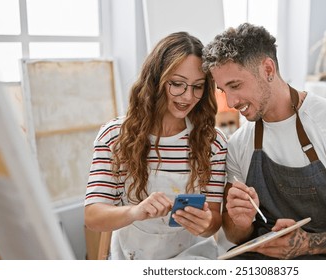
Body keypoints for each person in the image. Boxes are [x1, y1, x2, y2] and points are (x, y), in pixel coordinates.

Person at [202, 23, 326, 260]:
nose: (230, 102)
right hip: (266, 256)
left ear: (268, 70)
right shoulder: (239, 143)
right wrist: (242, 221)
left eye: (235, 85)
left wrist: (307, 244)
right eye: (223, 90)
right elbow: (236, 236)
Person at [84, 32, 227, 260]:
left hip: (192, 258)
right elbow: (93, 217)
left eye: (197, 86)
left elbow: (214, 221)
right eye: (177, 84)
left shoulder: (213, 143)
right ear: (155, 80)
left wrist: (207, 223)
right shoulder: (115, 137)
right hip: (132, 258)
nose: (188, 97)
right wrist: (135, 211)